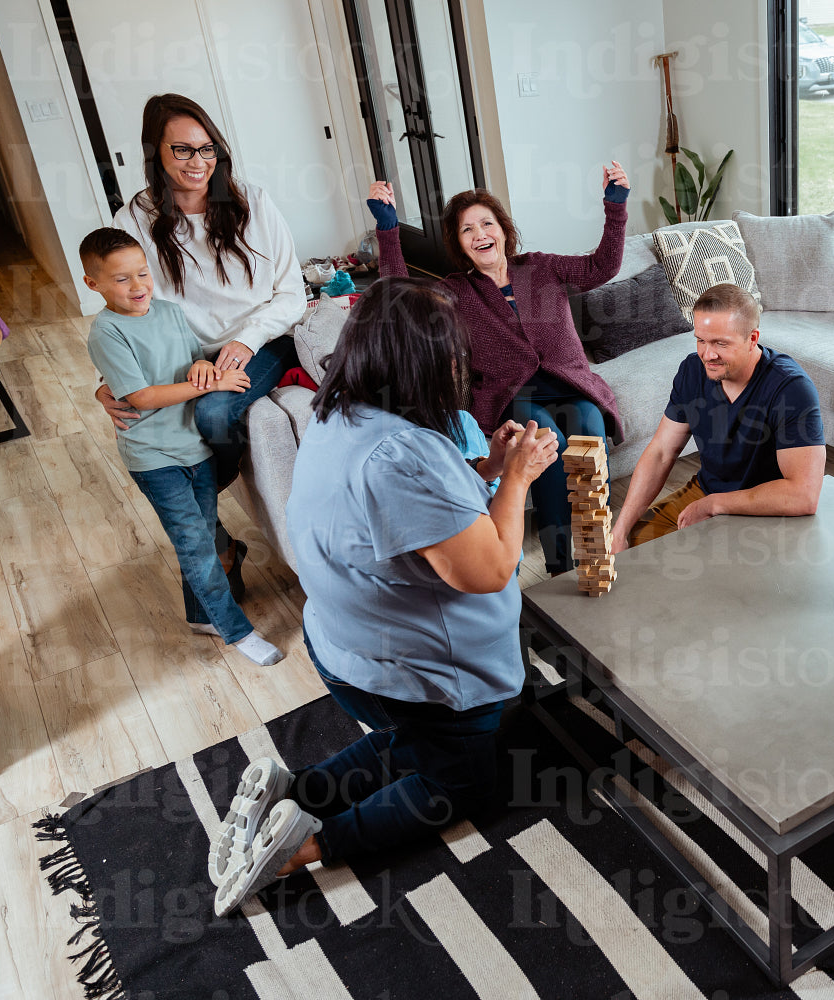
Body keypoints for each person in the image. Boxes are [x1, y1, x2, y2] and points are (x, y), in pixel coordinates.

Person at [209, 276, 558, 915]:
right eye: (455, 354)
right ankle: (306, 847)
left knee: (419, 738)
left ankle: (302, 789)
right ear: (425, 363)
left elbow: (414, 519)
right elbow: (487, 569)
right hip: (410, 670)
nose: (465, 366)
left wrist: (481, 472)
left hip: (345, 646)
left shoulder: (337, 413)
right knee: (461, 783)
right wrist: (514, 480)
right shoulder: (402, 454)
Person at [365, 163, 629, 575]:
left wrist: (615, 206)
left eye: (486, 224)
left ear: (504, 230)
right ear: (459, 244)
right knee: (546, 446)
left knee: (590, 430)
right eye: (467, 230)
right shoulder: (454, 291)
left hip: (571, 382)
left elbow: (602, 267)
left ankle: (597, 553)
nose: (480, 234)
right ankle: (560, 566)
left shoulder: (541, 267)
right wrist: (388, 230)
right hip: (515, 394)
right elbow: (397, 299)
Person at [99, 93, 305, 595]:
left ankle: (209, 543)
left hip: (262, 341)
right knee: (150, 440)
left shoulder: (252, 202)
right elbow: (124, 298)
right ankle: (220, 546)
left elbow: (291, 294)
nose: (199, 163)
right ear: (157, 155)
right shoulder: (135, 220)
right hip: (182, 354)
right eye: (183, 151)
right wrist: (111, 382)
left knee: (213, 415)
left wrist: (247, 341)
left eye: (207, 148)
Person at [79, 227, 283, 668]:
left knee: (206, 534)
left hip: (195, 449)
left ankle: (201, 616)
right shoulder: (107, 334)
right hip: (155, 459)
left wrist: (202, 365)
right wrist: (208, 383)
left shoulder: (169, 312)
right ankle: (238, 632)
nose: (138, 287)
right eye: (121, 279)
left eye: (142, 274)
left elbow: (198, 359)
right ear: (92, 284)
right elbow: (141, 398)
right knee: (194, 545)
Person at [611, 283, 826, 551]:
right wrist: (620, 529)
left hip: (765, 509)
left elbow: (802, 495)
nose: (707, 354)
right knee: (626, 555)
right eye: (701, 340)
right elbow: (661, 453)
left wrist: (714, 504)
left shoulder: (791, 389)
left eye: (720, 343)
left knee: (697, 576)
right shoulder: (692, 370)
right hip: (706, 490)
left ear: (752, 338)